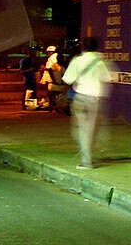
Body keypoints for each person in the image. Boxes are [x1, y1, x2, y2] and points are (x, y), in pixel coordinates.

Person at [63, 37, 112, 167]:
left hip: (80, 98)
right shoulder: (100, 62)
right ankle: (87, 157)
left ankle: (86, 161)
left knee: (81, 130)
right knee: (90, 129)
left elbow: (67, 79)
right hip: (94, 99)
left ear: (83, 47)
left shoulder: (77, 61)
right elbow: (107, 78)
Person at [41, 44, 64, 111]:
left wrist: (45, 68)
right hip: (53, 78)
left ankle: (53, 106)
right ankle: (52, 105)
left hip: (52, 79)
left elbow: (52, 68)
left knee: (51, 93)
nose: (47, 54)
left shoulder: (53, 57)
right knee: (51, 93)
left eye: (48, 52)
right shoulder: (53, 57)